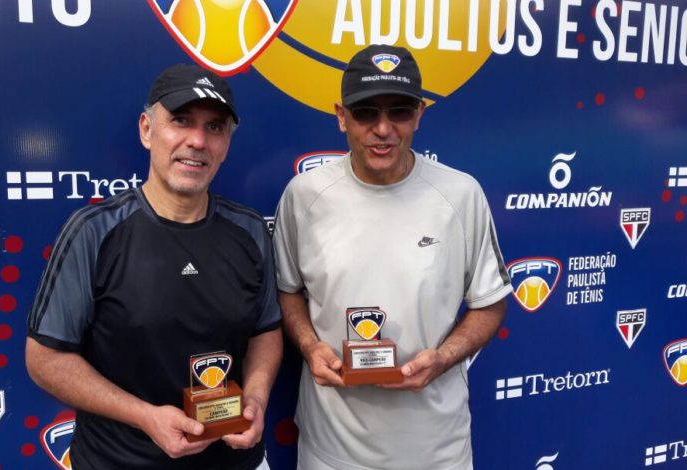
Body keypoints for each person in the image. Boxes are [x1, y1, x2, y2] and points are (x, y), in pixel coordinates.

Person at [25, 64, 282, 470]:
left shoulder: (250, 230)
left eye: (214, 127)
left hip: (237, 461)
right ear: (147, 130)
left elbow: (266, 329)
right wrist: (145, 417)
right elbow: (46, 360)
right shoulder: (94, 231)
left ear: (226, 143)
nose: (197, 141)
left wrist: (255, 397)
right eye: (181, 121)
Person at [272, 44, 512, 470]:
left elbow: (490, 303)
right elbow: (288, 291)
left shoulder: (462, 195)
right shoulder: (303, 196)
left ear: (419, 114)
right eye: (365, 112)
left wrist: (443, 358)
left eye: (398, 111)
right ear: (341, 116)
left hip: (437, 452)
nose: (382, 129)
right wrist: (309, 346)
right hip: (331, 453)